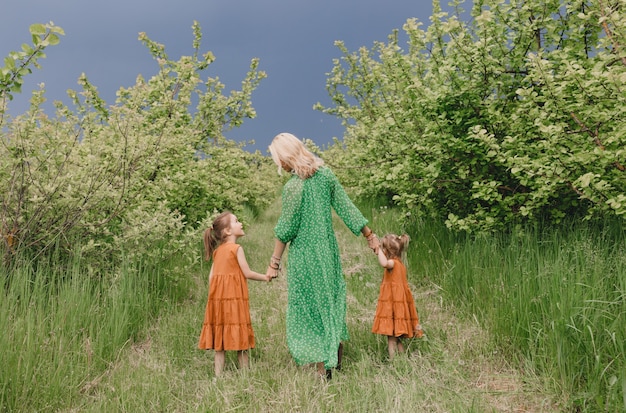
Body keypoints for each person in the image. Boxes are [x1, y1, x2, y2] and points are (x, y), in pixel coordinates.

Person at [265, 132, 379, 380]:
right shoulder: (326, 175)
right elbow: (346, 207)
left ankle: (322, 367)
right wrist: (370, 235)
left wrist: (274, 262)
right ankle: (334, 353)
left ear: (287, 157)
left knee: (309, 306)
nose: (279, 166)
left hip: (305, 256)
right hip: (327, 252)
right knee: (331, 298)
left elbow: (286, 229)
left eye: (279, 160)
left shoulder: (293, 187)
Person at [198, 211, 275, 377]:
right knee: (240, 334)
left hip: (219, 300)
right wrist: (266, 277)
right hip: (235, 300)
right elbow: (247, 273)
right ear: (228, 231)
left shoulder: (218, 252)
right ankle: (245, 375)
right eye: (236, 221)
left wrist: (216, 297)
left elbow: (212, 277)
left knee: (220, 339)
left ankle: (217, 377)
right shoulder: (236, 249)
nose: (240, 223)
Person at [371, 233, 423, 359]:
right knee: (397, 338)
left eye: (384, 249)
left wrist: (378, 250)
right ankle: (402, 360)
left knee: (392, 339)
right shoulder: (401, 265)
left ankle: (394, 362)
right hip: (398, 308)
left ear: (387, 251)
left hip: (393, 308)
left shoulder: (393, 263)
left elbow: (384, 263)